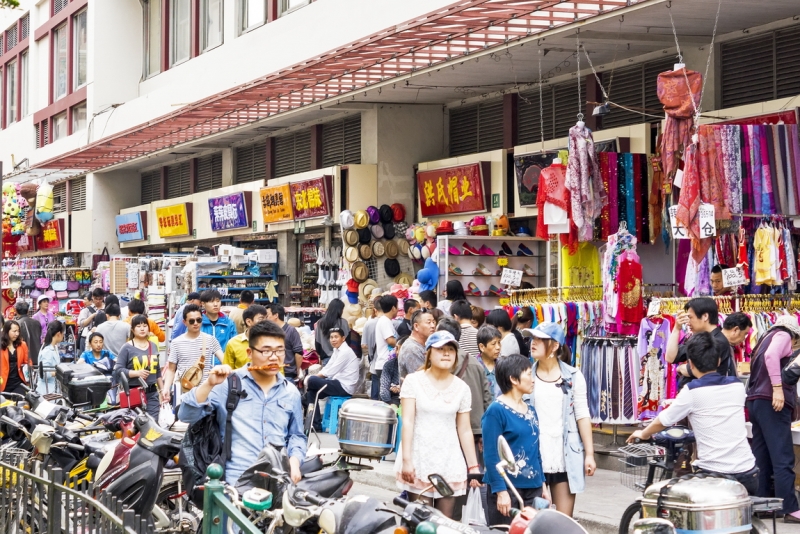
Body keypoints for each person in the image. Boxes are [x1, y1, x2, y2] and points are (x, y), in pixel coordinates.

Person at [628, 332, 758, 495]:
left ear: (690, 364)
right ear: (718, 361)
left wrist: (644, 433)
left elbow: (664, 420)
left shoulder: (691, 390)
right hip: (748, 472)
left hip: (715, 475)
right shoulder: (737, 386)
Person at [179, 321, 306, 485]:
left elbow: (296, 435)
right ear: (249, 353)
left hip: (277, 481)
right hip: (235, 482)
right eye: (266, 351)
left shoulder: (290, 392)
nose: (274, 357)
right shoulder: (228, 385)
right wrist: (208, 384)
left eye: (279, 351)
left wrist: (294, 463)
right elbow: (186, 415)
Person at [396, 330, 481, 518]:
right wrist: (407, 460)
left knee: (444, 522)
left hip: (449, 461)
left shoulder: (462, 388)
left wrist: (473, 467)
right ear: (429, 353)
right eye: (440, 349)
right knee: (420, 521)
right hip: (420, 458)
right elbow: (408, 421)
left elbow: (464, 429)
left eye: (451, 349)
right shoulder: (413, 381)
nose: (446, 353)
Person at [524, 322, 594, 517]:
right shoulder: (526, 375)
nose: (533, 343)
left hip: (564, 455)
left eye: (539, 339)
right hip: (534, 455)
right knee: (535, 522)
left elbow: (582, 414)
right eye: (532, 339)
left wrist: (589, 453)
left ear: (554, 346)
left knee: (563, 522)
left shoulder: (573, 376)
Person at [482, 354, 549, 524]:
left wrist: (542, 484)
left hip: (533, 488)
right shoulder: (496, 411)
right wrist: (500, 491)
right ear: (513, 379)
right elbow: (491, 456)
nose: (532, 379)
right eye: (528, 374)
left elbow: (535, 451)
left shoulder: (531, 410)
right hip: (509, 488)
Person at [746, 315, 800, 521]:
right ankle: (789, 508)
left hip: (756, 401)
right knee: (782, 456)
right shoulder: (783, 335)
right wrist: (778, 389)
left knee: (762, 455)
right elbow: (772, 356)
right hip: (771, 403)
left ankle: (763, 503)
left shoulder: (763, 339)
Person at [436, 317, 493, 469]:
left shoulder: (441, 363)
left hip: (449, 427)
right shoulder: (476, 363)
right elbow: (488, 398)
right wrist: (484, 431)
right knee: (473, 472)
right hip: (475, 428)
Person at [665, 297, 736, 389]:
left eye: (690, 317)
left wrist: (681, 368)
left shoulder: (718, 341)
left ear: (705, 316)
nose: (688, 322)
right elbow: (670, 357)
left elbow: (695, 370)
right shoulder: (699, 338)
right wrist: (676, 329)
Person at [162, 304, 224, 405]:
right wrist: (166, 388)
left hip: (207, 392)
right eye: (191, 321)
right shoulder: (176, 342)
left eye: (198, 320)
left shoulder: (210, 339)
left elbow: (224, 360)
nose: (196, 323)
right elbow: (171, 369)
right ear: (184, 322)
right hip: (185, 393)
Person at [305, 326, 360, 431]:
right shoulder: (337, 350)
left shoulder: (345, 351)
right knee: (311, 393)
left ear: (343, 338)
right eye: (331, 337)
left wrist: (312, 378)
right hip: (336, 382)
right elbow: (328, 367)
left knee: (312, 381)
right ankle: (316, 425)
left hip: (344, 387)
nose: (333, 340)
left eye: (336, 337)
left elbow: (330, 372)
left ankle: (304, 400)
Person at [115, 315, 163, 419]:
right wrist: (136, 373)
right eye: (138, 326)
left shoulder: (153, 345)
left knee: (152, 425)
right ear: (132, 329)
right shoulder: (127, 347)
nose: (142, 328)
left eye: (145, 325)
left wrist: (162, 390)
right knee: (136, 426)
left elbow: (157, 371)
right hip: (134, 393)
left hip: (152, 393)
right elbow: (118, 369)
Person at [266, 304, 304, 382]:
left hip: (287, 373)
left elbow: (298, 352)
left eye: (267, 315)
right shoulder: (267, 331)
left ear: (276, 315)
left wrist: (297, 369)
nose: (266, 318)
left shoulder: (291, 330)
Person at [224, 305, 267, 370]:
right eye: (261, 319)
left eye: (266, 318)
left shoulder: (272, 342)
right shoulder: (233, 343)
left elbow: (278, 369)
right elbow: (227, 371)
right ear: (249, 322)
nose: (266, 322)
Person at [372, 295, 399, 400]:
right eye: (397, 307)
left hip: (385, 364)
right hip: (385, 364)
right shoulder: (385, 321)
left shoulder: (386, 321)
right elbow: (391, 341)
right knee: (385, 397)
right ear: (393, 308)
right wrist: (404, 344)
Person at [398, 309, 436, 379]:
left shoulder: (423, 344)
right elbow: (421, 379)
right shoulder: (412, 348)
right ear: (416, 326)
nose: (433, 325)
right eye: (429, 322)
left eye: (433, 322)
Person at [1, 320, 31, 394]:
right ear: (7, 331)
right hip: (3, 383)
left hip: (18, 383)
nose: (17, 334)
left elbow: (27, 362)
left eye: (18, 331)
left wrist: (28, 374)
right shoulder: (1, 346)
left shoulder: (22, 345)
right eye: (14, 331)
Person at [37, 321, 64, 395]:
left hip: (54, 388)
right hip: (46, 390)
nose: (63, 336)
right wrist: (59, 373)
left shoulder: (54, 347)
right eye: (63, 334)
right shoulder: (47, 351)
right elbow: (43, 374)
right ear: (58, 334)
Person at [477, 324, 502, 400]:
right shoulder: (475, 367)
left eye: (499, 342)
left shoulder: (502, 365)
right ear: (482, 347)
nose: (498, 347)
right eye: (493, 344)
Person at [78, 288, 105, 353]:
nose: (98, 301)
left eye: (100, 299)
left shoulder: (107, 309)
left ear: (103, 298)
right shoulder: (86, 310)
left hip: (103, 338)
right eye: (96, 299)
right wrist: (92, 316)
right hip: (87, 337)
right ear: (92, 297)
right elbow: (81, 324)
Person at [14, 301, 41, 366]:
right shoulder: (36, 323)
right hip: (37, 356)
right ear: (28, 311)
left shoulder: (16, 324)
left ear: (16, 311)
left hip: (24, 358)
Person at [381, 335, 405, 406]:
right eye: (396, 348)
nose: (397, 352)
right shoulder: (389, 365)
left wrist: (401, 388)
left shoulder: (416, 365)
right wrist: (390, 404)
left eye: (400, 349)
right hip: (394, 400)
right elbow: (384, 389)